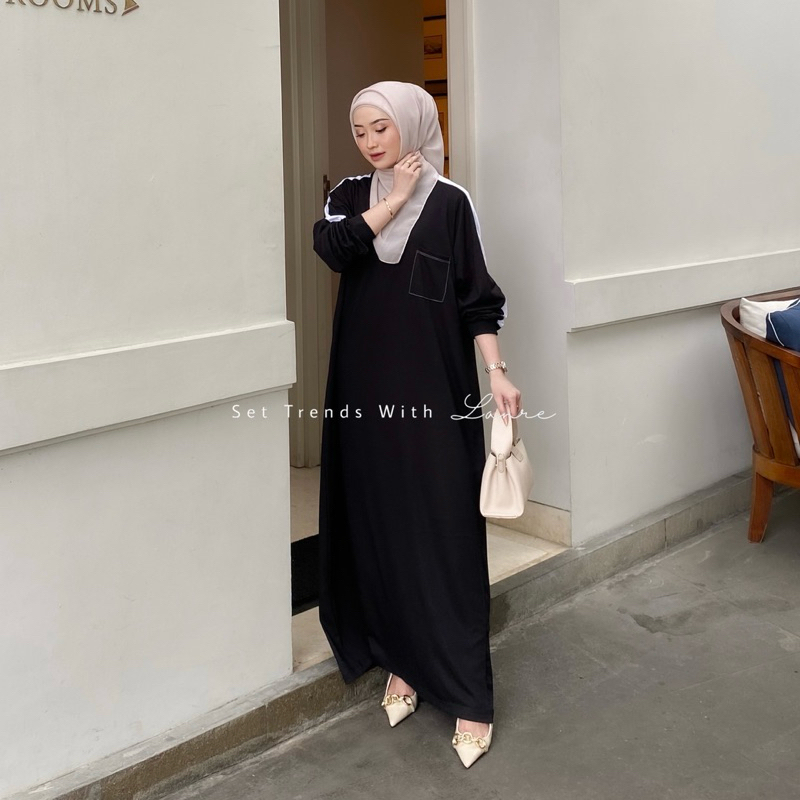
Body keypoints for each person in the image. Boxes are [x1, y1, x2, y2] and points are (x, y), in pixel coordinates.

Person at [312, 80, 521, 768]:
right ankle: (402, 664)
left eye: (382, 127)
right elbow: (333, 249)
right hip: (363, 396)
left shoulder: (453, 203)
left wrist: (496, 372)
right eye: (360, 131)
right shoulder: (351, 195)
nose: (371, 142)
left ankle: (468, 696)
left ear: (411, 124)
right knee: (382, 529)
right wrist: (393, 199)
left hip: (434, 394)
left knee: (444, 532)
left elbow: (476, 299)